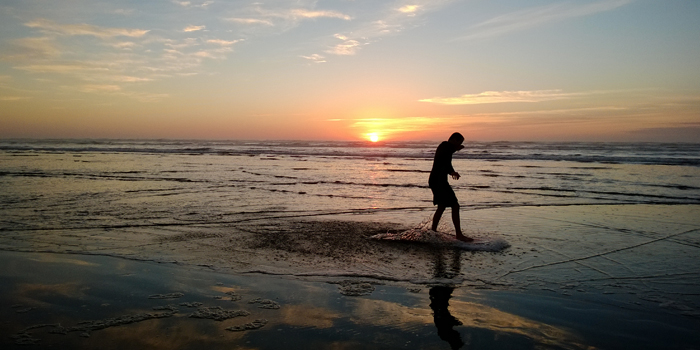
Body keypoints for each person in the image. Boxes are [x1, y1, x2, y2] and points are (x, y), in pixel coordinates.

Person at [429, 132, 473, 242]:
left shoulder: (447, 149)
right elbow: (448, 152)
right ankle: (458, 234)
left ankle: (432, 232)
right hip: (438, 181)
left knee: (442, 206)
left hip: (437, 180)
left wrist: (452, 172)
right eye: (459, 142)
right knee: (455, 205)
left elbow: (446, 164)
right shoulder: (444, 145)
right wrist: (456, 148)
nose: (459, 145)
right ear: (454, 140)